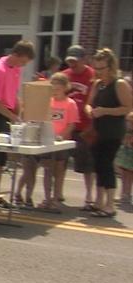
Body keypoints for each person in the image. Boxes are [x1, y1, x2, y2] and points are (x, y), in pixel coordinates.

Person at [0, 40, 35, 205]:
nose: (23, 65)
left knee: (0, 157)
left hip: (6, 114)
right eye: (23, 61)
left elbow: (13, 94)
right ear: (16, 55)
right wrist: (13, 117)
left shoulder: (15, 68)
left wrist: (20, 112)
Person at [14, 73, 79, 211]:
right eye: (53, 89)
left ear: (65, 88)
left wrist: (60, 136)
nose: (55, 92)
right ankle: (19, 193)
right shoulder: (47, 101)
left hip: (59, 142)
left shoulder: (70, 104)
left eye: (58, 89)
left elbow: (71, 124)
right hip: (43, 140)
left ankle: (51, 199)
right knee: (29, 169)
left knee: (54, 171)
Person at [86, 48, 133, 218]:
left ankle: (110, 204)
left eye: (102, 68)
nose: (98, 72)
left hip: (113, 131)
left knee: (106, 165)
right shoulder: (97, 84)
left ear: (111, 67)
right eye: (96, 68)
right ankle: (99, 201)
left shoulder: (119, 84)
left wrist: (105, 111)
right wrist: (89, 110)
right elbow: (89, 103)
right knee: (98, 165)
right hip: (97, 130)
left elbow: (128, 108)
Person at [62, 45, 96, 208]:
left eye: (75, 61)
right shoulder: (64, 76)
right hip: (66, 125)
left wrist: (92, 127)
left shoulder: (92, 76)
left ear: (84, 59)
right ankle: (57, 193)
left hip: (85, 126)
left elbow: (95, 101)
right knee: (60, 161)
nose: (72, 65)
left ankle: (89, 196)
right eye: (69, 61)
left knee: (87, 163)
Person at [115, 111, 133, 205]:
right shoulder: (126, 132)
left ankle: (127, 194)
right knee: (123, 174)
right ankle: (123, 193)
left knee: (129, 174)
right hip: (125, 151)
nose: (128, 124)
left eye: (130, 122)